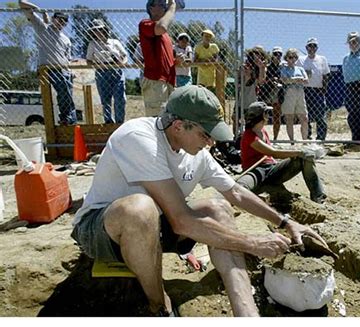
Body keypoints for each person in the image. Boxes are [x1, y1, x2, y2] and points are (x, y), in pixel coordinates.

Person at [71, 85, 329, 317]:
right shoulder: (139, 137)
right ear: (178, 126)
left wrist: (285, 222)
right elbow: (181, 221)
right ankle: (159, 306)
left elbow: (236, 193)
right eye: (206, 134)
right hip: (102, 232)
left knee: (217, 207)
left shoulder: (198, 154)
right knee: (140, 209)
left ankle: (247, 314)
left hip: (156, 228)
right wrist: (252, 243)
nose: (211, 142)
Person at [238, 101, 326, 203]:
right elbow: (273, 153)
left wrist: (300, 154)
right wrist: (299, 152)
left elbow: (272, 155)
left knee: (304, 159)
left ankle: (318, 196)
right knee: (242, 186)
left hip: (271, 169)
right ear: (261, 116)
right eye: (266, 113)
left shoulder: (263, 131)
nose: (268, 116)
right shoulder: (249, 135)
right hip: (254, 171)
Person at [19, 0, 77, 125]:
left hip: (64, 69)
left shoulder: (66, 39)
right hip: (48, 68)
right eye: (59, 19)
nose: (61, 23)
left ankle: (68, 120)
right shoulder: (43, 28)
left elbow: (68, 58)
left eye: (64, 21)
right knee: (64, 89)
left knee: (67, 92)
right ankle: (67, 118)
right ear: (53, 19)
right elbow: (21, 3)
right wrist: (41, 9)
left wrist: (72, 70)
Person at [139, 0, 184, 117]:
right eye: (160, 3)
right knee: (157, 122)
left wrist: (176, 62)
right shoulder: (145, 24)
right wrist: (172, 6)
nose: (164, 6)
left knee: (169, 122)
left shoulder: (166, 36)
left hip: (169, 82)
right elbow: (162, 27)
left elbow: (163, 60)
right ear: (151, 8)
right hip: (155, 81)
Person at [86, 19, 128, 124]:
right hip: (101, 72)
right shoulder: (92, 44)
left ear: (104, 30)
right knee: (105, 99)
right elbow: (88, 60)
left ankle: (119, 122)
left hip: (116, 70)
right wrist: (97, 65)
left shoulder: (115, 42)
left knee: (120, 98)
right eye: (95, 30)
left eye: (99, 29)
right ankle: (108, 121)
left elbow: (125, 55)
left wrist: (121, 63)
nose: (97, 32)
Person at [297, 37, 330, 140]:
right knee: (306, 115)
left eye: (314, 46)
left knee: (320, 115)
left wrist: (324, 87)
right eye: (310, 46)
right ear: (306, 47)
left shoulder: (322, 59)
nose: (312, 48)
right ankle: (307, 136)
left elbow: (326, 74)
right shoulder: (301, 60)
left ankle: (321, 137)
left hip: (318, 90)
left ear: (317, 48)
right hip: (305, 90)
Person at [280, 48, 309, 141]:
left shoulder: (300, 69)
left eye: (294, 57)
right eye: (290, 57)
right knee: (289, 118)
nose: (292, 59)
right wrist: (296, 79)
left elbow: (306, 80)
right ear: (286, 58)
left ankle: (305, 141)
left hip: (300, 93)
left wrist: (293, 79)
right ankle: (292, 141)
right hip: (289, 93)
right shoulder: (284, 69)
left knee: (304, 118)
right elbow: (284, 80)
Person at [260, 46, 284, 140]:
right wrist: (271, 80)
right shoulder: (267, 67)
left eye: (279, 54)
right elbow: (263, 80)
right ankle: (262, 137)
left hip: (278, 93)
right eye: (275, 54)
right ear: (272, 55)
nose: (277, 56)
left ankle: (275, 138)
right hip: (267, 93)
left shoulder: (282, 68)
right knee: (263, 116)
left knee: (277, 117)